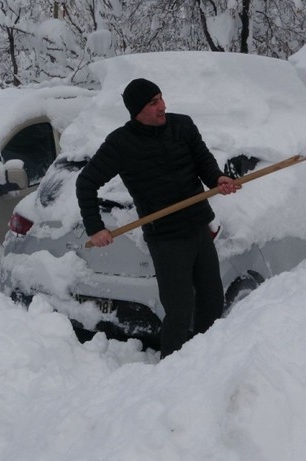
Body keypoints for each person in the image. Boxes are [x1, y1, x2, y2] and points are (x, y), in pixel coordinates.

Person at [75, 78, 240, 358]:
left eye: (161, 98)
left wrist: (217, 178)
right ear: (137, 110)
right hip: (166, 238)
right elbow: (86, 182)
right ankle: (171, 371)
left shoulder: (182, 125)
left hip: (199, 226)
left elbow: (202, 159)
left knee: (212, 302)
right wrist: (95, 227)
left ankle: (207, 361)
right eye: (153, 103)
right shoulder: (120, 144)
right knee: (179, 310)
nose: (162, 106)